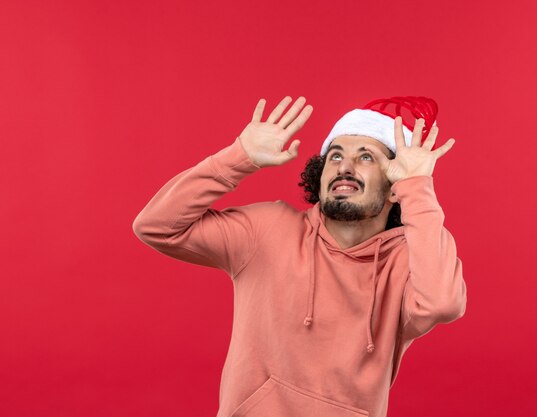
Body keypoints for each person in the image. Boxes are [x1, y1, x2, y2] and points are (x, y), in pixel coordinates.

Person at [132, 96, 467, 417]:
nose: (345, 167)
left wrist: (418, 189)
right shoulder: (267, 230)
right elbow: (157, 226)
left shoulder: (409, 260)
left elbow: (441, 303)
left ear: (396, 183)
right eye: (334, 156)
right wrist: (237, 158)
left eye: (367, 157)